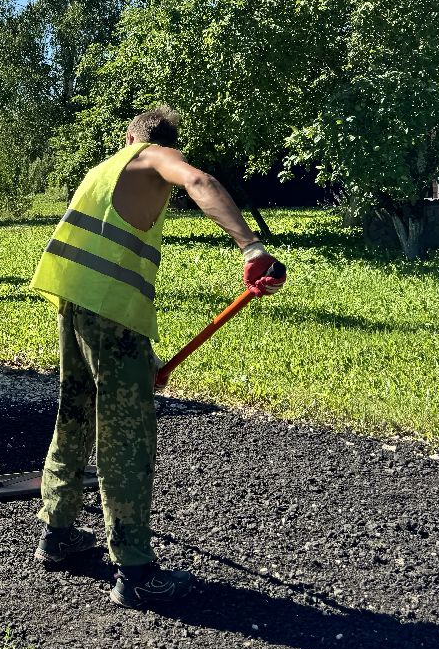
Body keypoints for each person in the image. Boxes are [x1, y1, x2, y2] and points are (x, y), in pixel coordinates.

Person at [29, 106, 285, 609]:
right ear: (153, 143)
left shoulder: (102, 171)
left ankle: (57, 534)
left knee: (76, 412)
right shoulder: (152, 157)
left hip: (74, 304)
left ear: (126, 134)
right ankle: (135, 570)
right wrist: (250, 246)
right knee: (126, 432)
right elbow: (199, 179)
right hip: (111, 315)